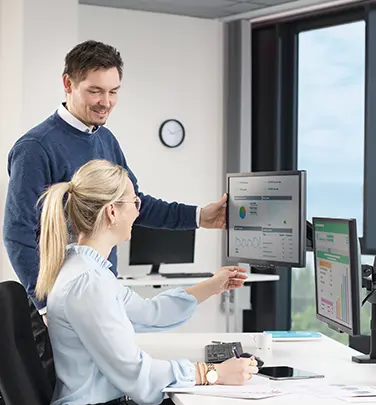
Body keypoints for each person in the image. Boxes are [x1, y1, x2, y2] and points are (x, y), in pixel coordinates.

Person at [37, 159, 335, 405]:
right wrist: (212, 374)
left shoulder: (88, 270)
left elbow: (149, 312)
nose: (138, 210)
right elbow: (137, 376)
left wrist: (212, 285)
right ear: (111, 213)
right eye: (134, 202)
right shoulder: (87, 284)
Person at [3, 40, 227, 380]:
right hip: (67, 301)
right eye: (95, 91)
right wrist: (46, 303)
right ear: (68, 84)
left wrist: (200, 217)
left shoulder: (104, 138)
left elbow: (135, 202)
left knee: (117, 379)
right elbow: (18, 232)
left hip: (100, 287)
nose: (105, 102)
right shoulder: (35, 148)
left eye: (113, 91)